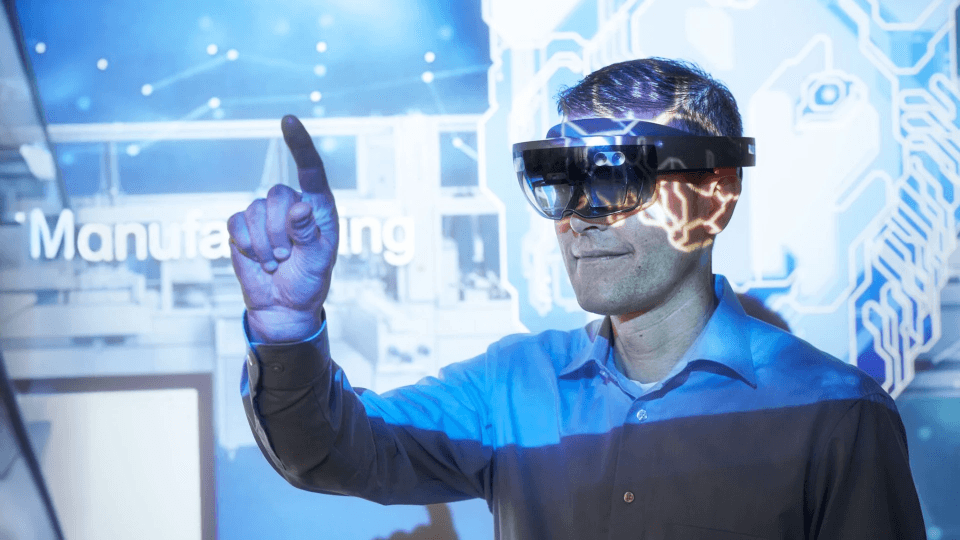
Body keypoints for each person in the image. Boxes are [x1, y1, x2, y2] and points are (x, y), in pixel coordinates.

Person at [227, 58, 925, 539]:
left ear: (714, 197)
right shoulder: (512, 386)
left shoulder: (834, 415)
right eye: (560, 177)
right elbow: (334, 452)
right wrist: (286, 330)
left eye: (619, 175)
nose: (583, 214)